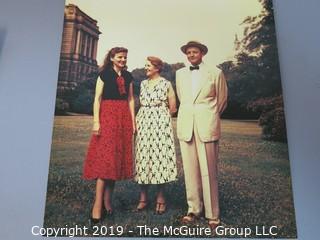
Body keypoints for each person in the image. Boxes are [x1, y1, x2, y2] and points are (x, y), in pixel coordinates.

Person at [176, 41, 228, 229]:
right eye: (188, 52)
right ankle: (193, 209)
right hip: (187, 124)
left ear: (202, 54)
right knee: (190, 170)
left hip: (207, 125)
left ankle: (213, 214)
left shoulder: (216, 73)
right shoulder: (180, 73)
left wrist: (209, 115)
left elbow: (221, 101)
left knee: (209, 171)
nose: (191, 55)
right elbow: (183, 99)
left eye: (194, 52)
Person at [82, 47, 136, 224]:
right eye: (120, 57)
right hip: (107, 116)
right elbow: (97, 99)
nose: (123, 59)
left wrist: (133, 122)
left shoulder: (128, 76)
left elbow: (130, 99)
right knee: (105, 160)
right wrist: (96, 122)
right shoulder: (104, 74)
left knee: (115, 160)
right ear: (112, 58)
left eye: (125, 57)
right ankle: (97, 205)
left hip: (123, 119)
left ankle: (107, 201)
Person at [134, 56, 177, 214]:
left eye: (148, 66)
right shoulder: (143, 84)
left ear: (157, 68)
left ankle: (161, 198)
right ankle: (143, 198)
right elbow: (141, 103)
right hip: (144, 121)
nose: (146, 68)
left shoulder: (166, 84)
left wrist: (161, 119)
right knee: (143, 157)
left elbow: (173, 107)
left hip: (160, 123)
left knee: (160, 158)